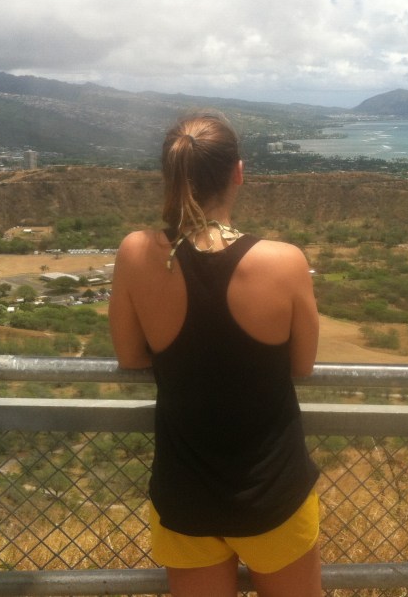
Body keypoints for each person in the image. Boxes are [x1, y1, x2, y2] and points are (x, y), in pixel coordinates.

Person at [109, 111, 322, 597]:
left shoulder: (135, 253)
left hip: (185, 495)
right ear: (238, 173)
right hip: (274, 492)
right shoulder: (285, 261)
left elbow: (131, 356)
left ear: (171, 175)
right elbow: (302, 365)